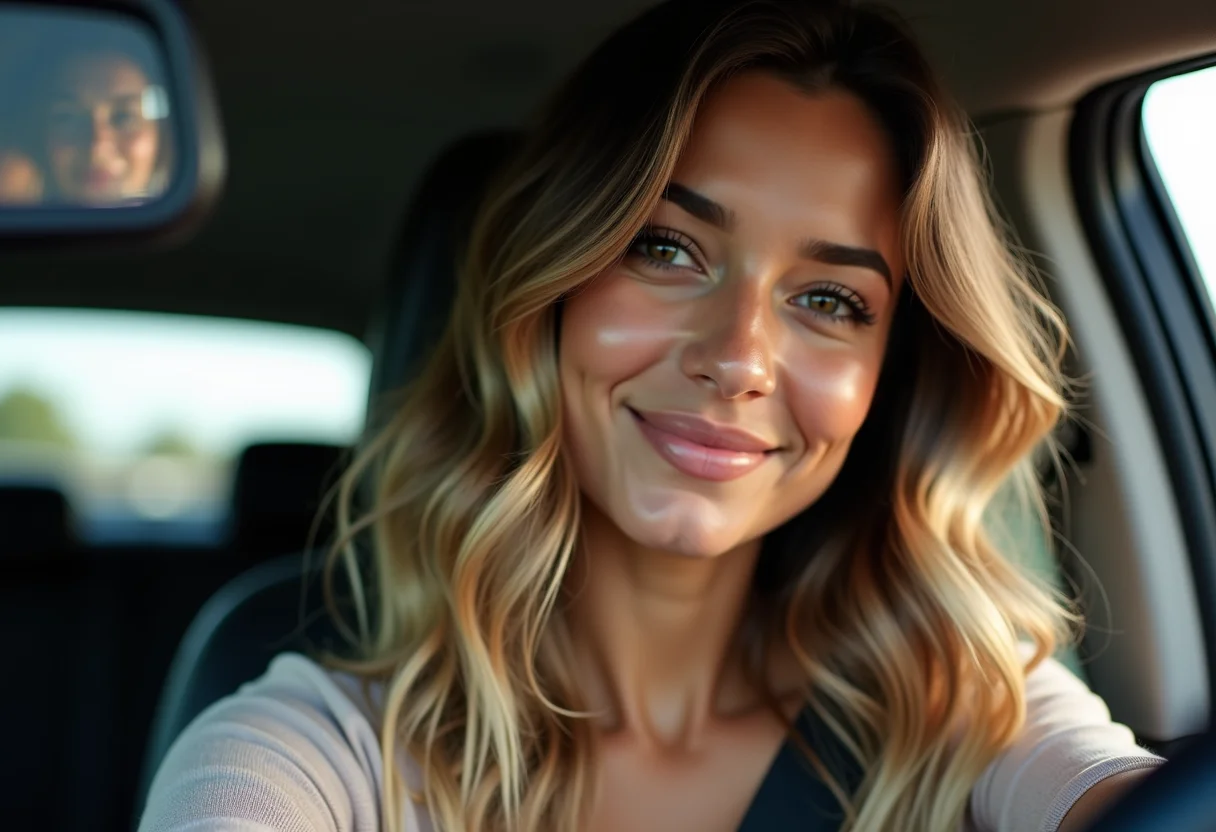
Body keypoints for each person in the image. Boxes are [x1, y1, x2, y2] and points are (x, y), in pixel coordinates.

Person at [138, 1, 1166, 830]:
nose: (736, 359)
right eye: (666, 248)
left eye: (830, 301)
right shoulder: (319, 744)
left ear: (888, 384)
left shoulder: (965, 709)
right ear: (548, 292)